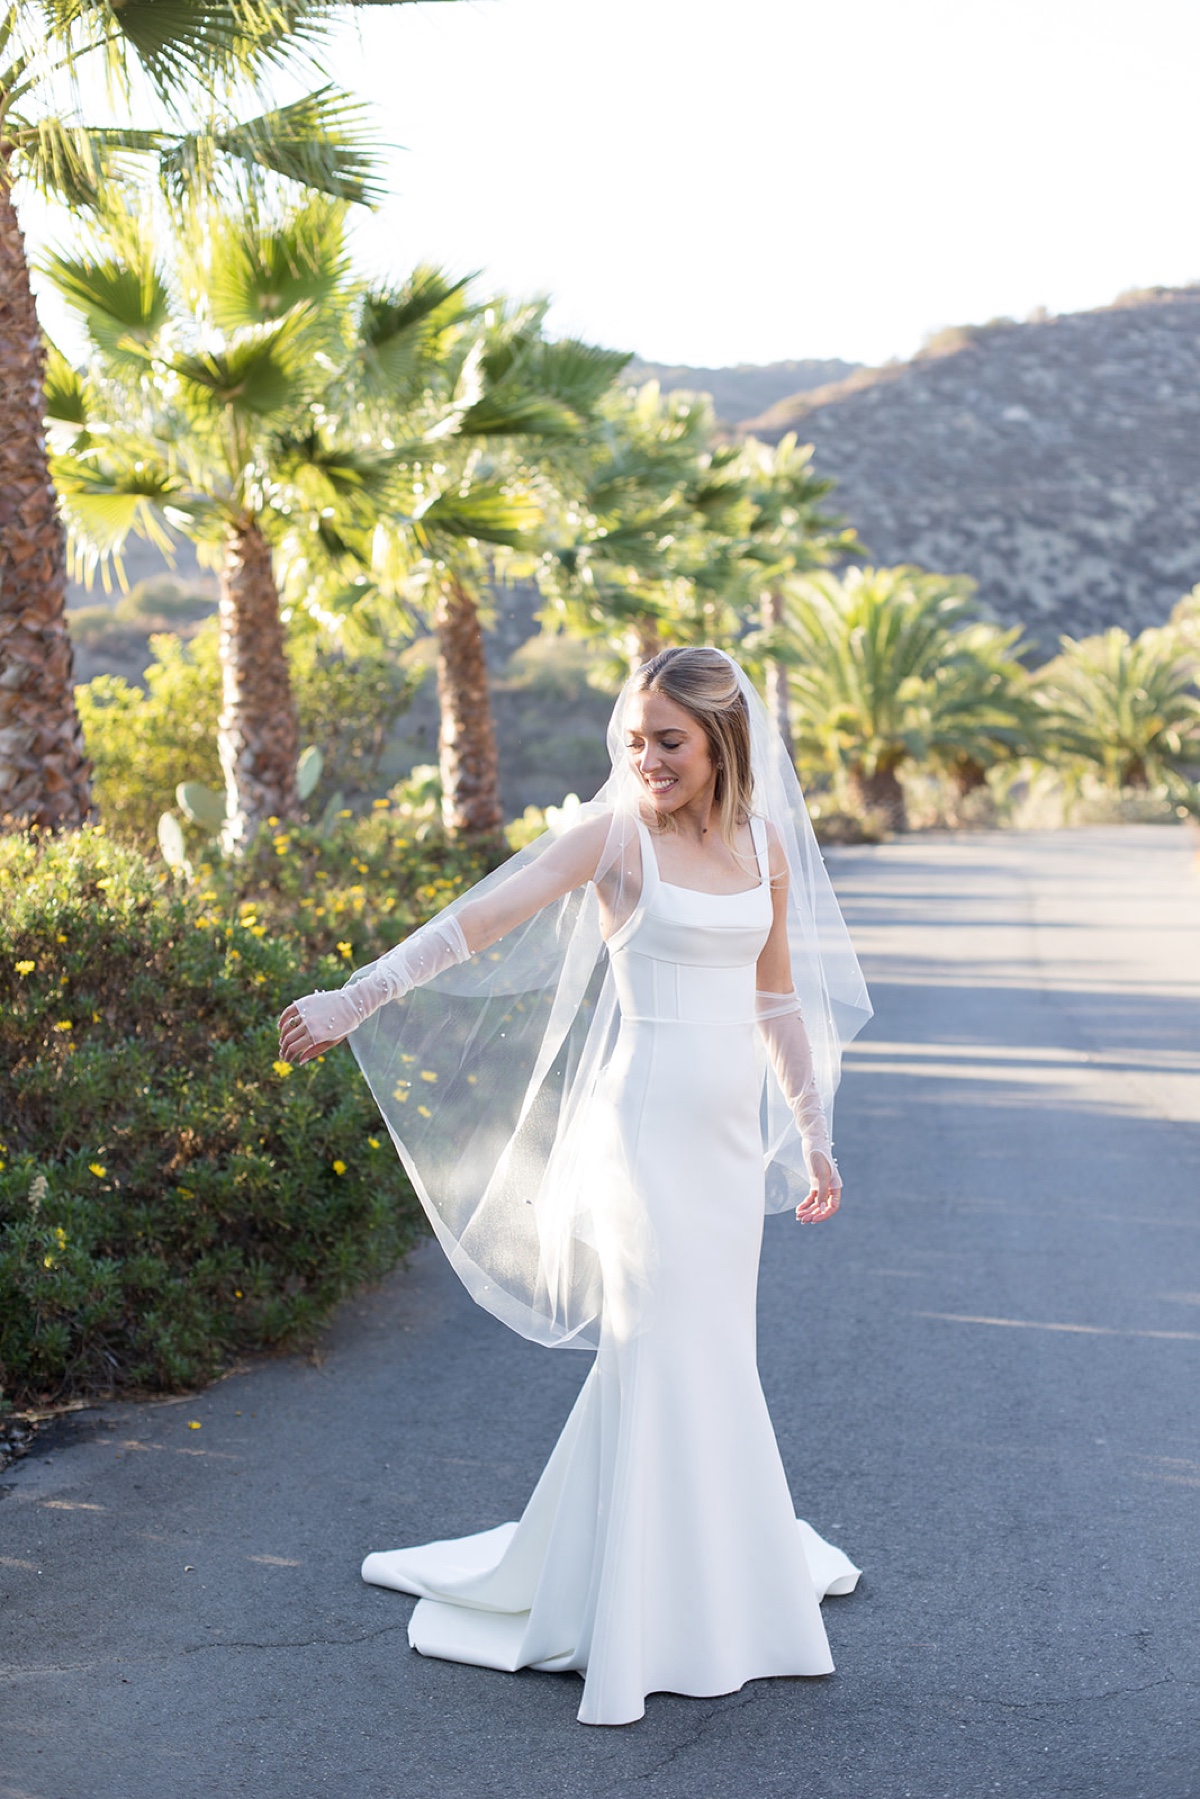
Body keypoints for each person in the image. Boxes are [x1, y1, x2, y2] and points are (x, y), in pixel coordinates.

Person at [278, 646, 872, 1727]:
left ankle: (710, 1590)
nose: (645, 757)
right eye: (634, 737)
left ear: (724, 743)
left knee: (713, 1354)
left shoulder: (766, 842)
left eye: (670, 741)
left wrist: (812, 1133)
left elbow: (777, 1002)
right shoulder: (612, 837)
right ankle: (636, 1618)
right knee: (653, 1352)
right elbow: (476, 919)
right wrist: (352, 999)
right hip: (640, 1133)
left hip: (728, 1145)